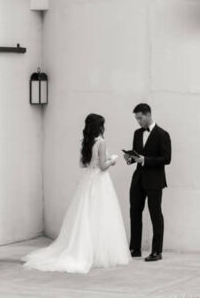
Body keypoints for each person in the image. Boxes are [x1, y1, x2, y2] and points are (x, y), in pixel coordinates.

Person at [23, 113, 130, 273]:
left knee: (86, 215)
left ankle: (84, 249)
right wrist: (112, 160)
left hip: (88, 181)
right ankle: (96, 253)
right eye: (102, 125)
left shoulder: (86, 142)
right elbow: (102, 166)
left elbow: (82, 164)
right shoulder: (101, 142)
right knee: (101, 215)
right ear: (99, 126)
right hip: (100, 182)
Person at [123, 103, 171, 262]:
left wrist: (145, 160)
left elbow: (166, 159)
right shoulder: (137, 133)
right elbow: (136, 157)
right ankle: (135, 248)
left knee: (155, 214)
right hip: (138, 179)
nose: (138, 121)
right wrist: (129, 158)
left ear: (148, 114)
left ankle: (157, 251)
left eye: (140, 118)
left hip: (155, 180)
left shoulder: (163, 134)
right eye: (136, 118)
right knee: (134, 212)